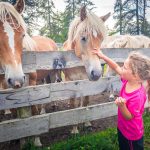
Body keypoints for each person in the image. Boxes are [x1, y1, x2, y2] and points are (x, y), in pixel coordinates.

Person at [92, 49, 150, 150]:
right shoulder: (128, 80)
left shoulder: (138, 96)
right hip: (123, 128)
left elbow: (129, 117)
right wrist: (103, 56)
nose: (121, 68)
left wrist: (122, 106)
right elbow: (115, 67)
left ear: (135, 75)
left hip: (132, 135)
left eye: (125, 67)